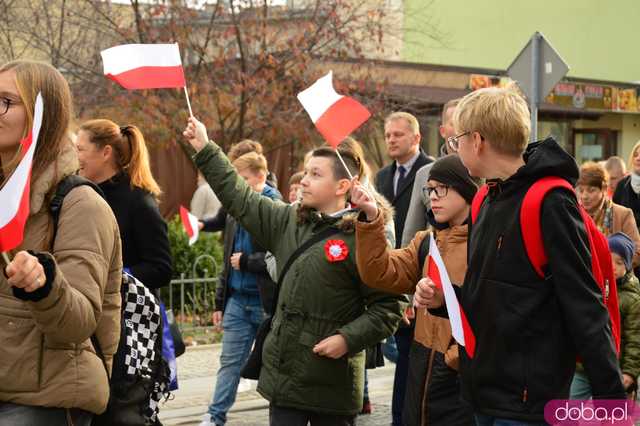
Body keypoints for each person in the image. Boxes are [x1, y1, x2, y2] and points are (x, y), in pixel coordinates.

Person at [415, 86, 626, 425]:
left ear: (478, 140)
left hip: (530, 403)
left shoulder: (550, 202)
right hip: (483, 391)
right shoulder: (484, 198)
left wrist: (614, 406)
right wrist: (444, 298)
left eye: (456, 141)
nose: (454, 149)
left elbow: (584, 306)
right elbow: (484, 292)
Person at [184, 116, 405, 426]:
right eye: (306, 171)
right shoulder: (288, 221)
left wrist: (347, 338)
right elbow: (240, 198)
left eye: (315, 174)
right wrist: (205, 148)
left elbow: (390, 305)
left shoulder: (366, 235)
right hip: (284, 379)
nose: (303, 180)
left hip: (334, 382)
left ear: (342, 185)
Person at [0, 60, 121, 425]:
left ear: (41, 115)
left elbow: (81, 320)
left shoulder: (80, 203)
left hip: (45, 399)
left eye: (6, 101)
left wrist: (43, 284)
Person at [353, 154, 476, 426]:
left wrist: (455, 358)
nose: (432, 196)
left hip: (460, 381)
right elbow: (379, 271)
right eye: (429, 189)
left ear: (466, 189)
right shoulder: (425, 241)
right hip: (420, 372)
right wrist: (372, 216)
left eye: (440, 188)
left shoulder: (486, 244)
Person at [199, 152, 281, 426]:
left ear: (260, 176)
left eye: (244, 178)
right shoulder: (235, 204)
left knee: (274, 366)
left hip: (264, 301)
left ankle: (284, 416)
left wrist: (248, 262)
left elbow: (281, 255)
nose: (239, 184)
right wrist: (219, 302)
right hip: (237, 301)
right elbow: (228, 256)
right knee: (230, 364)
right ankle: (214, 417)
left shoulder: (275, 205)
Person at [375, 111, 432, 426]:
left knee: (410, 359)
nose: (391, 140)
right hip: (389, 272)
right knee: (398, 353)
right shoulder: (383, 176)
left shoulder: (431, 171)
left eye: (398, 134)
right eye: (388, 135)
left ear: (416, 138)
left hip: (417, 276)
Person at [76, 119, 172, 290]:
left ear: (106, 153)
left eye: (80, 149)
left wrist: (114, 278)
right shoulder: (81, 194)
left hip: (128, 312)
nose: (75, 157)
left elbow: (161, 269)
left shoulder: (139, 202)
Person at [401, 98, 460, 247]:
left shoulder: (484, 173)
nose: (461, 128)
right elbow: (411, 234)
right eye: (454, 123)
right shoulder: (425, 174)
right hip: (435, 262)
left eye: (465, 122)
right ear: (443, 131)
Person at [575, 162, 640, 266]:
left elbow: (637, 252)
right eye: (581, 190)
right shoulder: (574, 214)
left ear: (604, 189)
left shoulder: (623, 214)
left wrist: (615, 265)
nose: (584, 196)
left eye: (591, 190)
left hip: (615, 278)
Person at [608, 233, 640, 398]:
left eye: (619, 262)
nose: (612, 266)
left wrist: (629, 371)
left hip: (617, 368)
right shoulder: (595, 287)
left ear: (627, 265)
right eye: (608, 259)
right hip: (583, 367)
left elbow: (635, 338)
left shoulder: (632, 299)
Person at [614, 142, 640, 233]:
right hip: (628, 242)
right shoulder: (622, 185)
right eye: (635, 155)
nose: (638, 158)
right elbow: (614, 216)